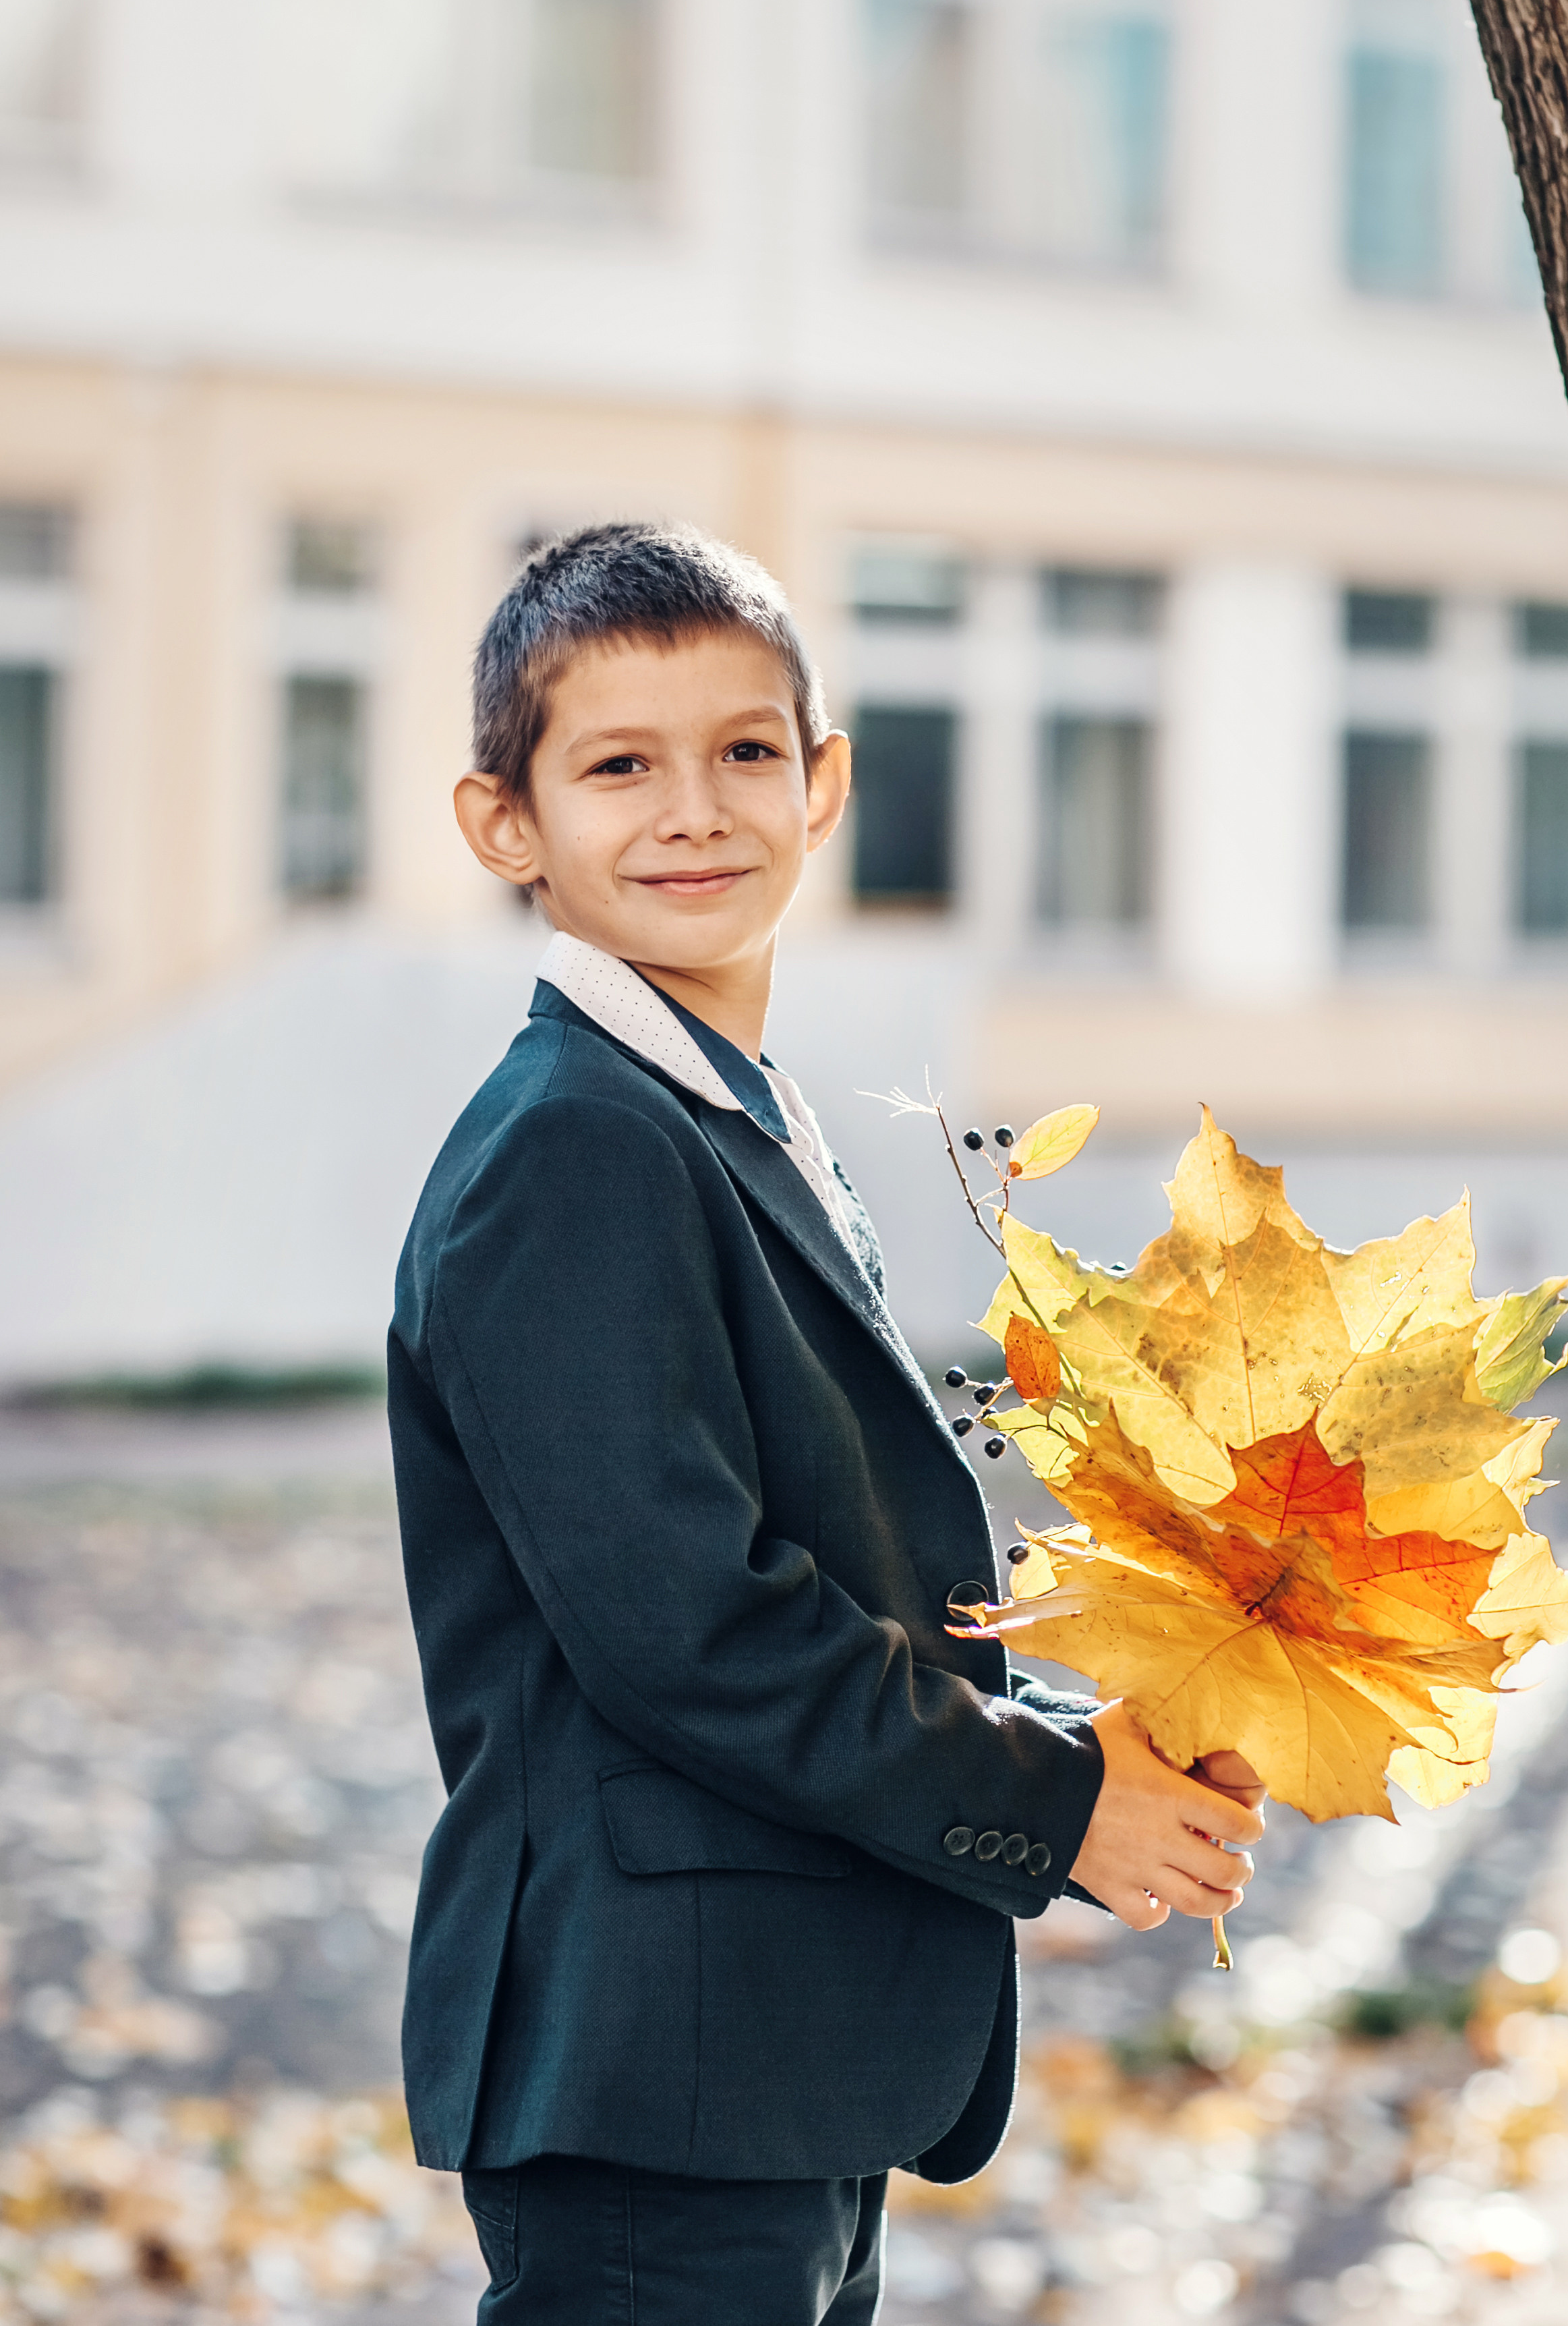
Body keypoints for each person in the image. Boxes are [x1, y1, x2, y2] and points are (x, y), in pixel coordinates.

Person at [387, 522, 1265, 2324]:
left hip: (769, 2048)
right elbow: (696, 1635)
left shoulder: (719, 1113)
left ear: (824, 783)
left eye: (744, 752)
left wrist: (1099, 1734)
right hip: (656, 2063)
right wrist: (1057, 1808)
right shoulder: (573, 1152)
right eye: (618, 765)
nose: (692, 810)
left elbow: (841, 1566)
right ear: (507, 825)